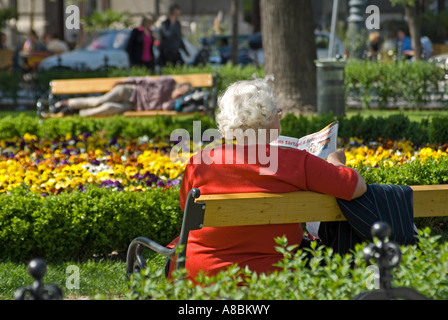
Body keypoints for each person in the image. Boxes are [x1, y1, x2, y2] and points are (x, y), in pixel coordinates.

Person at [166, 78, 367, 280]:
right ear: (268, 118)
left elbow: (187, 209)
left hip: (197, 274)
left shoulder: (200, 162)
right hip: (272, 275)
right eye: (278, 113)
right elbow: (357, 187)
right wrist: (336, 161)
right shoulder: (295, 161)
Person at [51, 76, 193, 117]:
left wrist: (172, 101)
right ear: (179, 87)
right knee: (99, 101)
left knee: (109, 108)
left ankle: (78, 112)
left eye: (182, 95)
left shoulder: (170, 102)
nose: (179, 94)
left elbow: (164, 108)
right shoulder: (168, 83)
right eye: (181, 91)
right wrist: (125, 81)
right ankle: (65, 104)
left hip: (134, 106)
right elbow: (143, 80)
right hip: (130, 92)